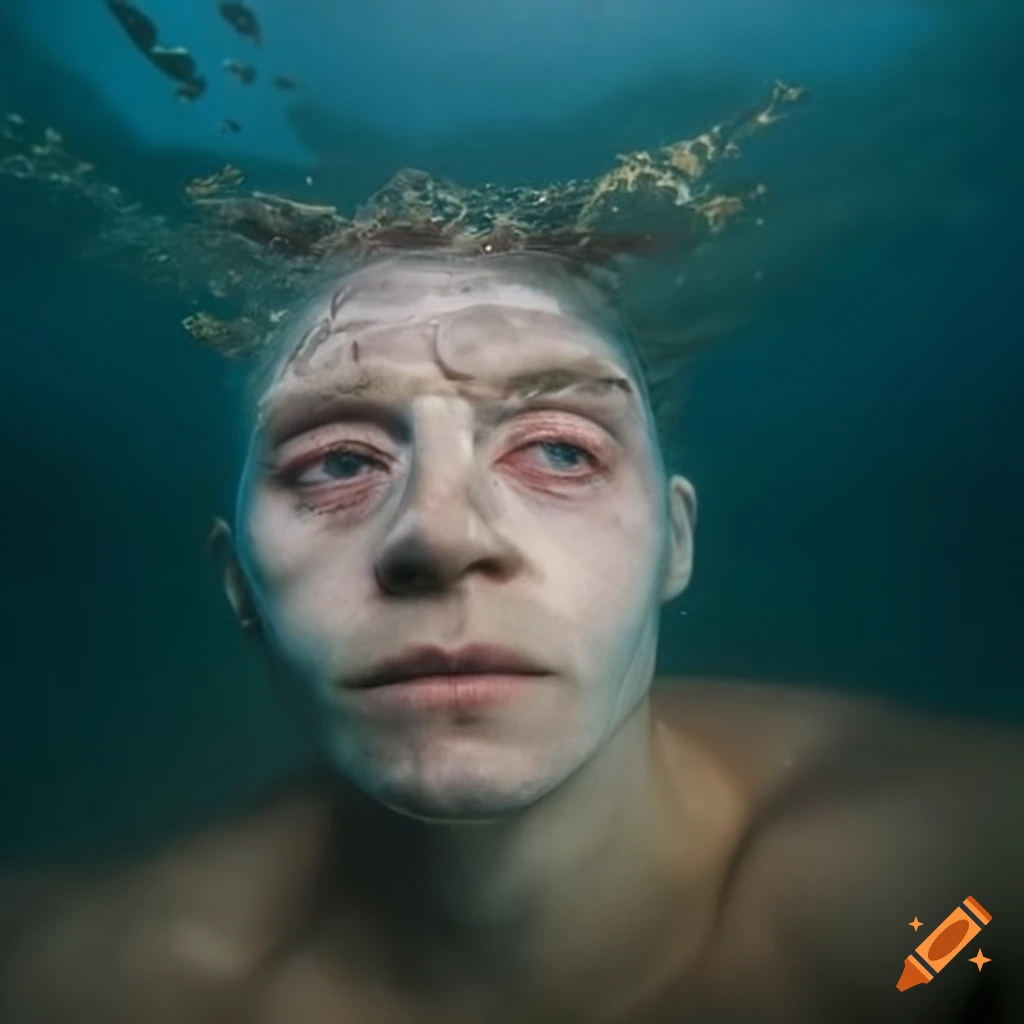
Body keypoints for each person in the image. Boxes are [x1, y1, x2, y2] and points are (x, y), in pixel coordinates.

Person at [2, 250, 1022, 1024]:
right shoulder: (94, 984)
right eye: (335, 462)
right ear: (240, 584)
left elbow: (959, 948)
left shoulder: (961, 900)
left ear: (674, 542)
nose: (443, 535)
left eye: (559, 450)